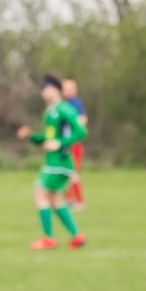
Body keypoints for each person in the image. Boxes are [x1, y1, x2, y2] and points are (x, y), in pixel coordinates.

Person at [16, 76, 87, 250]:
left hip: (59, 161)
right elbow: (47, 138)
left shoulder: (64, 109)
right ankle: (77, 236)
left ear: (55, 90)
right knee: (55, 199)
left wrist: (60, 143)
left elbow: (81, 131)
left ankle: (48, 238)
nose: (43, 93)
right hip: (55, 162)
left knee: (39, 194)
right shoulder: (49, 112)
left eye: (46, 89)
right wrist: (31, 136)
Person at [61, 78, 88, 210]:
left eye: (68, 89)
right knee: (65, 172)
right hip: (66, 143)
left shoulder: (75, 103)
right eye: (64, 89)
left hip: (74, 144)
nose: (65, 91)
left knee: (73, 173)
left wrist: (73, 128)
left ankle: (79, 201)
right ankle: (68, 199)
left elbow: (83, 120)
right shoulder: (64, 104)